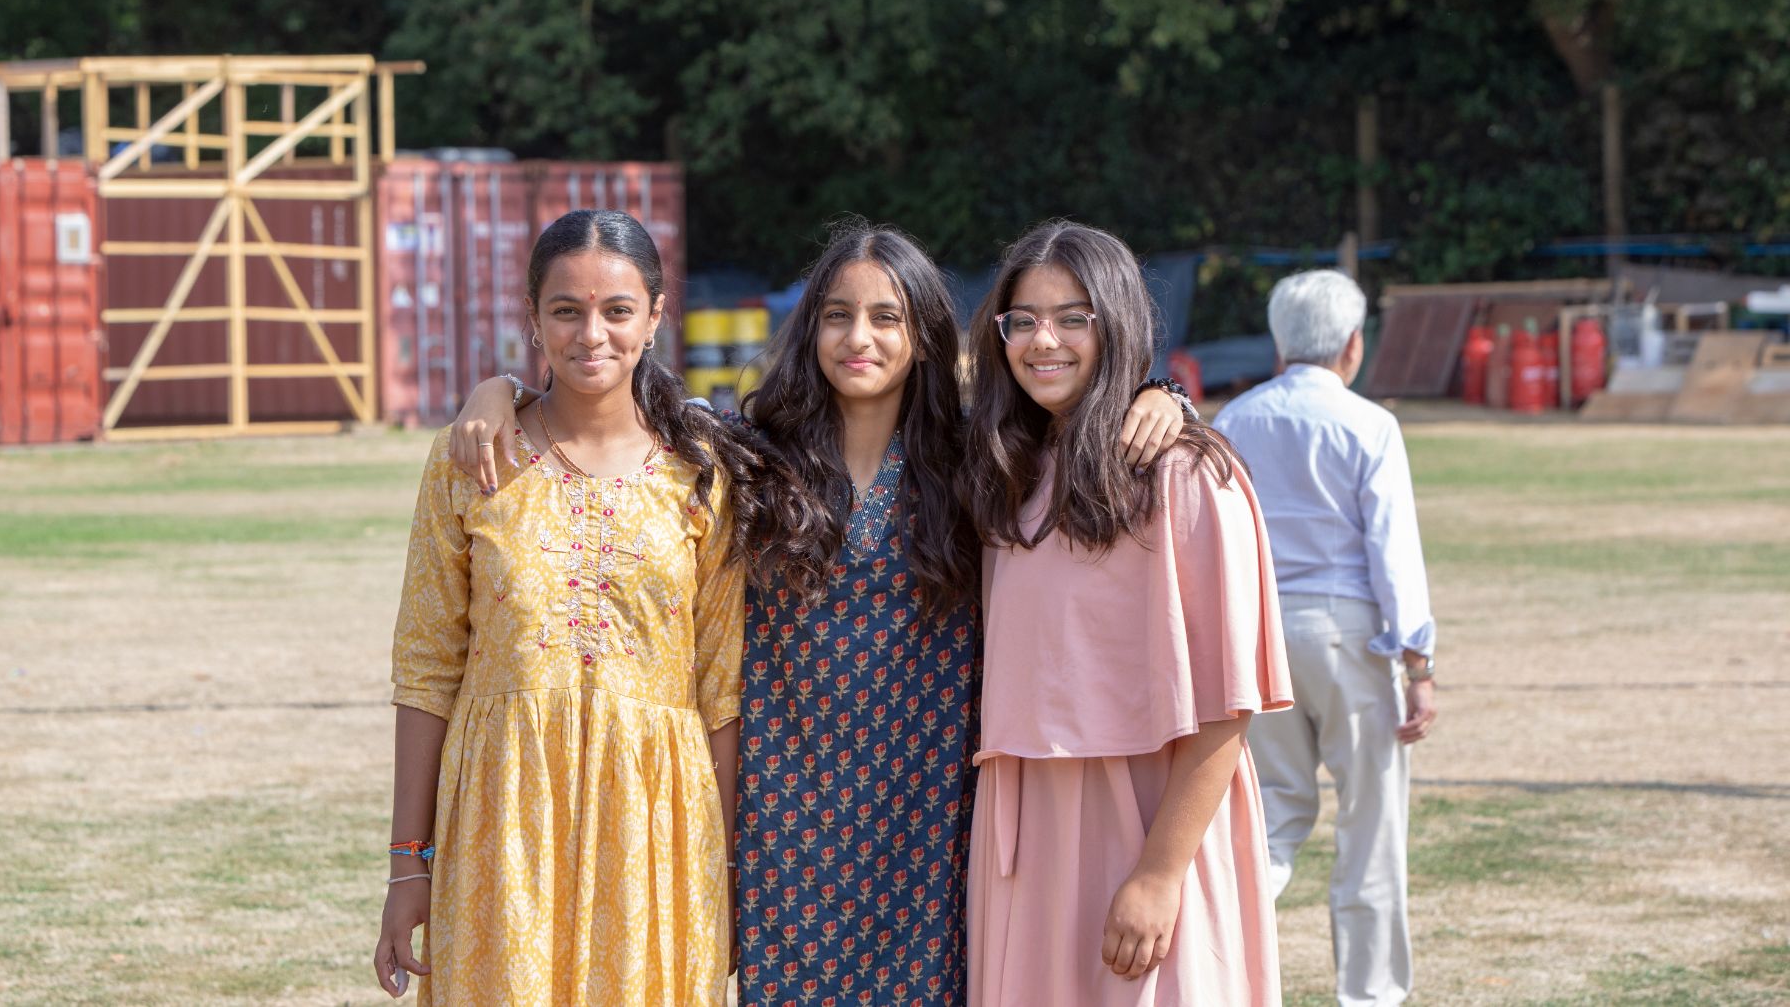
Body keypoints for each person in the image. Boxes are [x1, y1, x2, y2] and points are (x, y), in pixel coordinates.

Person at [445, 218, 1194, 1006]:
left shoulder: (978, 461)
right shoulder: (745, 455)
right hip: (784, 830)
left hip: (930, 829)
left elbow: (1068, 412)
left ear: (924, 336)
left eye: (885, 317)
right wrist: (501, 391)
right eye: (837, 314)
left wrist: (1160, 393)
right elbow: (610, 404)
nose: (857, 337)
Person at [372, 209, 826, 1006]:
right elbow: (425, 669)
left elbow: (719, 687)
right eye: (566, 310)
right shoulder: (472, 458)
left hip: (658, 822)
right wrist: (409, 859)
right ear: (533, 319)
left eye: (617, 310)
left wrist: (722, 868)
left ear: (655, 316)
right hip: (500, 815)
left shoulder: (704, 472)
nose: (593, 333)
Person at [963, 220, 1292, 1007]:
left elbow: (1227, 705)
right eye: (1024, 320)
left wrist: (1158, 874)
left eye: (1074, 317)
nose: (1045, 341)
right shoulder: (1009, 471)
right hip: (1026, 837)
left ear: (1119, 324)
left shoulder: (1186, 476)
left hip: (1147, 822)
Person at [1212, 270, 1437, 1007]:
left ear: (1280, 342)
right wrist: (1419, 657)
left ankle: (1217, 971)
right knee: (1369, 826)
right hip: (1347, 634)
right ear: (1353, 344)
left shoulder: (1234, 420)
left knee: (1270, 819)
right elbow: (1392, 550)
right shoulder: (1370, 424)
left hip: (1259, 634)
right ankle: (1368, 995)